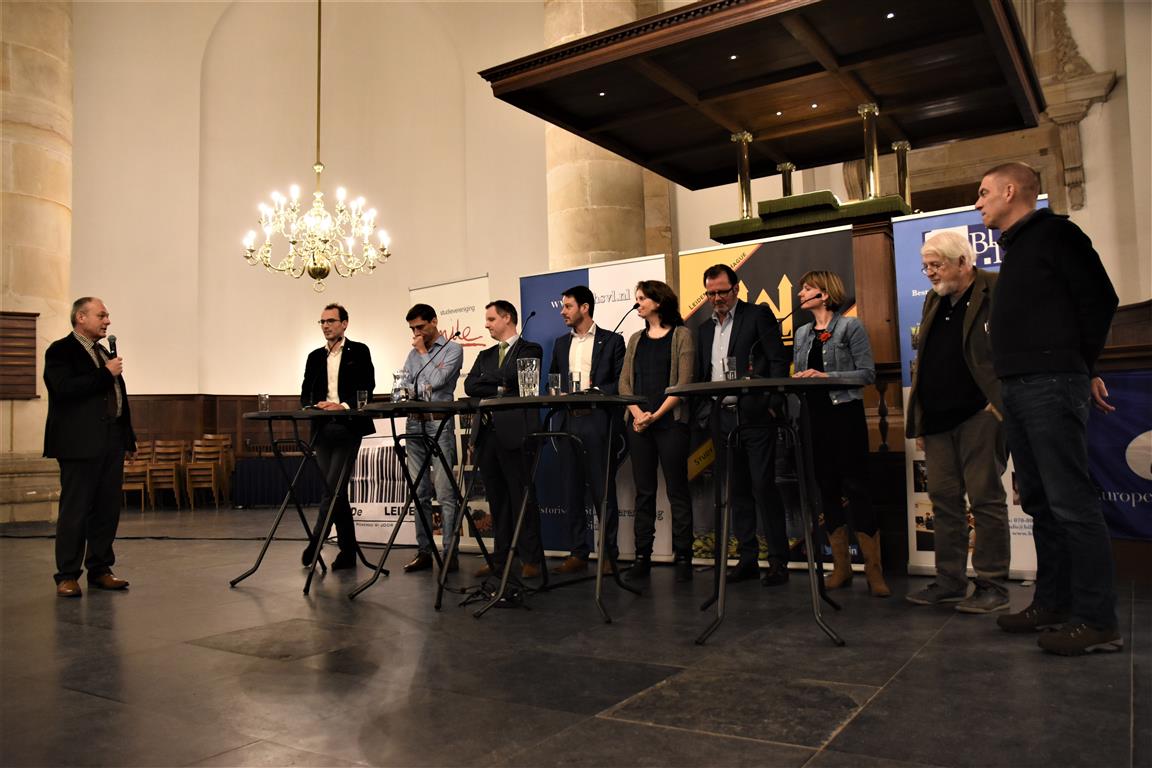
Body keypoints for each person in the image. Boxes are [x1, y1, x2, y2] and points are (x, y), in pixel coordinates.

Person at [977, 161, 1121, 655]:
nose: (978, 202)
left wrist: (1083, 365)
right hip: (1019, 387)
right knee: (1039, 502)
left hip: (1051, 382)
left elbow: (1100, 299)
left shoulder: (1058, 234)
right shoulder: (1016, 247)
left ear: (1010, 191)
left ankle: (1097, 620)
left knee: (1071, 503)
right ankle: (1053, 604)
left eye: (984, 193)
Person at [905, 231, 1011, 613]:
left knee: (985, 500)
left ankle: (993, 586)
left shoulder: (995, 287)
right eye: (926, 267)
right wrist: (921, 418)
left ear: (963, 262)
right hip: (937, 420)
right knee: (944, 502)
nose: (930, 273)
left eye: (937, 265)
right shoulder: (934, 299)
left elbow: (1014, 345)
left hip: (979, 416)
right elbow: (926, 360)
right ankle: (950, 581)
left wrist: (998, 403)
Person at [792, 270, 889, 597]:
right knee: (827, 488)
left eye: (807, 288)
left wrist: (825, 376)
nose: (801, 293)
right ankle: (841, 568)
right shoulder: (802, 332)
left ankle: (874, 571)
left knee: (857, 488)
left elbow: (867, 374)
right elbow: (799, 372)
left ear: (824, 293)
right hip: (814, 417)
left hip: (844, 416)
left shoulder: (850, 327)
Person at [694, 264, 790, 586]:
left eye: (722, 291)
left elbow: (777, 360)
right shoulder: (703, 329)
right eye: (710, 293)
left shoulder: (757, 315)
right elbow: (703, 373)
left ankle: (777, 560)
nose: (716, 298)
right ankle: (747, 558)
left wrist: (772, 404)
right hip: (721, 418)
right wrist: (704, 412)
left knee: (763, 487)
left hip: (755, 416)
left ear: (736, 289)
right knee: (737, 491)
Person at [43, 297, 137, 598]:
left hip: (111, 440)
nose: (107, 321)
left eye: (107, 316)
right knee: (76, 510)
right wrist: (105, 373)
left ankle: (100, 569)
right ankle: (67, 575)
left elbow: (117, 398)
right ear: (81, 317)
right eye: (101, 315)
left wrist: (127, 438)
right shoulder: (61, 350)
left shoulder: (102, 352)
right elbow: (64, 389)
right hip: (79, 444)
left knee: (107, 509)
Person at [618, 280, 695, 582]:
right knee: (644, 492)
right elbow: (625, 384)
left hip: (670, 422)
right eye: (636, 298)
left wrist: (656, 415)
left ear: (659, 302)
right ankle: (642, 557)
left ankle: (684, 557)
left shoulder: (681, 335)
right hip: (639, 424)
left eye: (642, 298)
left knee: (677, 490)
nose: (637, 303)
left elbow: (684, 384)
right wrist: (639, 415)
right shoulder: (635, 338)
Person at [548, 285, 626, 574]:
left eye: (568, 306)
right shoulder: (560, 344)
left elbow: (620, 382)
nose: (562, 312)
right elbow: (552, 380)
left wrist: (594, 390)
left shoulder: (612, 341)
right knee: (571, 491)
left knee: (602, 492)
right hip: (568, 422)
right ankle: (577, 553)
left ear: (585, 307)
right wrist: (555, 392)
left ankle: (609, 555)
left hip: (597, 421)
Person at [463, 300, 545, 578]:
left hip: (517, 432)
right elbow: (470, 385)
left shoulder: (530, 349)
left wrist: (491, 381)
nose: (486, 325)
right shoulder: (485, 354)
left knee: (522, 497)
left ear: (507, 318)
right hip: (487, 434)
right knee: (497, 501)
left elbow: (519, 379)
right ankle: (500, 559)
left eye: (490, 319)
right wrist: (501, 384)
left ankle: (531, 559)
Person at [300, 303, 375, 571]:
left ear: (344, 323)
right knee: (336, 492)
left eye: (331, 321)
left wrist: (341, 405)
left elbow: (367, 387)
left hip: (348, 426)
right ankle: (348, 552)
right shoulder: (314, 357)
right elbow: (305, 393)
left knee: (332, 488)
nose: (326, 326)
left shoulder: (360, 351)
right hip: (322, 429)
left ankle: (316, 539)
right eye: (322, 322)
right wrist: (315, 405)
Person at [399, 304, 464, 573]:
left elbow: (437, 381)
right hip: (414, 423)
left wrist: (423, 354)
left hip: (438, 423)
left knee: (445, 493)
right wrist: (414, 384)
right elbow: (403, 385)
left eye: (420, 327)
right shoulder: (412, 353)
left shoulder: (452, 349)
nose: (416, 333)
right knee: (419, 492)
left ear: (434, 321)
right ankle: (424, 551)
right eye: (412, 328)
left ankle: (450, 553)